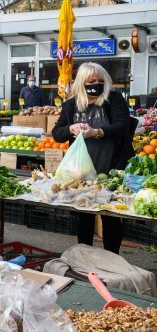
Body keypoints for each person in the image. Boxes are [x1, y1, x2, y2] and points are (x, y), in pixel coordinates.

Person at [52, 62, 135, 254]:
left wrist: (97, 131)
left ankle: (111, 257)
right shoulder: (71, 105)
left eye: (100, 81)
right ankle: (85, 255)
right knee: (84, 214)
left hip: (112, 168)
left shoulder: (113, 99)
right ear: (81, 82)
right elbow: (57, 133)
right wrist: (69, 128)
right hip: (81, 171)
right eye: (91, 81)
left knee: (111, 215)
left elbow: (122, 126)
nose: (96, 84)